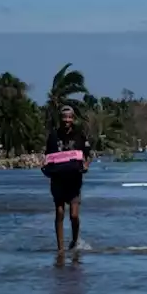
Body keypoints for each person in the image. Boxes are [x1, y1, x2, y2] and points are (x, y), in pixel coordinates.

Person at [43, 105, 92, 251]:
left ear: (73, 119)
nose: (67, 120)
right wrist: (45, 166)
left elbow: (88, 155)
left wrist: (86, 165)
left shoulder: (80, 135)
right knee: (59, 212)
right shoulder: (53, 136)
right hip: (58, 180)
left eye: (69, 117)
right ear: (60, 119)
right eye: (64, 117)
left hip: (74, 180)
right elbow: (47, 157)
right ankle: (60, 249)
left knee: (74, 215)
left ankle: (75, 241)